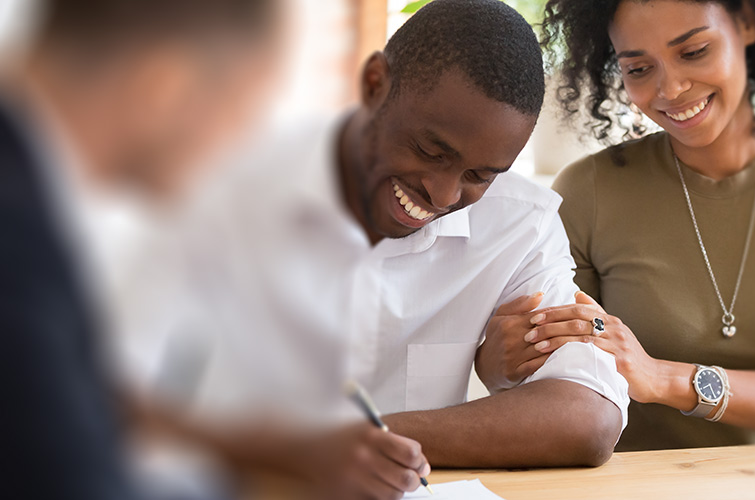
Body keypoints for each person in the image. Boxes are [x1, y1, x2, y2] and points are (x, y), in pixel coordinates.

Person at [116, 1, 629, 498]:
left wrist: (369, 438)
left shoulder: (519, 225)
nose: (445, 194)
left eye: (478, 176)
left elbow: (588, 418)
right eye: (432, 150)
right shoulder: (234, 186)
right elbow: (117, 395)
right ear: (374, 87)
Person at [479, 0, 755, 451]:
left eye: (693, 52)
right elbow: (560, 379)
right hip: (636, 485)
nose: (671, 88)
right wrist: (498, 364)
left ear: (747, 23)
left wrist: (668, 379)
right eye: (639, 69)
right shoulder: (591, 191)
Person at [0, 0, 281, 497]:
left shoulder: (35, 188)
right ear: (164, 87)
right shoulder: (15, 233)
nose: (238, 146)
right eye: (241, 113)